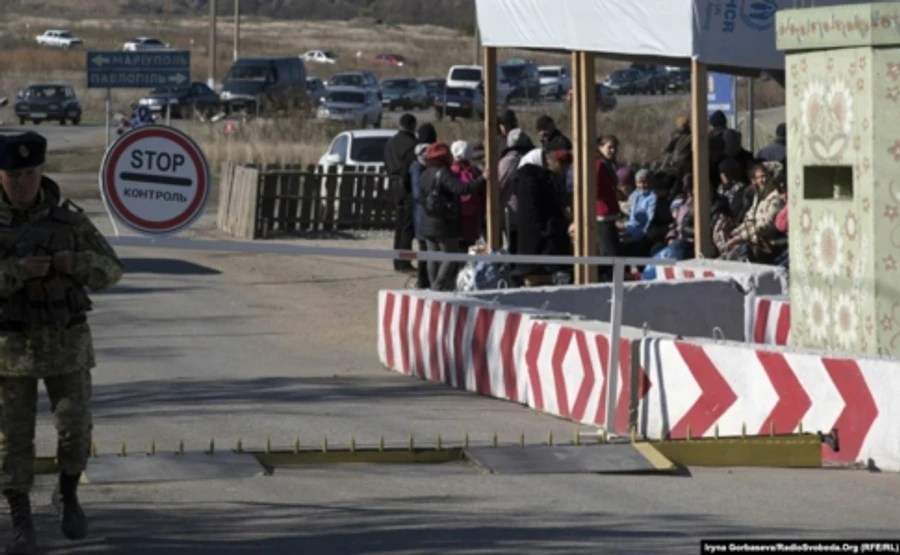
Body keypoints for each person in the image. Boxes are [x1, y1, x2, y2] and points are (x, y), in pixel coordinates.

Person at [0, 132, 124, 553]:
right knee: (11, 441)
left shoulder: (68, 222)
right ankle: (21, 519)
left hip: (66, 344)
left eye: (31, 174)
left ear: (42, 172)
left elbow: (112, 269)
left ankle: (68, 496)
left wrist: (79, 263)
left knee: (74, 428)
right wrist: (17, 271)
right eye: (14, 175)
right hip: (9, 352)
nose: (23, 183)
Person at [418, 142, 488, 291]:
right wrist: (482, 178)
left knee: (433, 255)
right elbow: (462, 188)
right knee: (451, 254)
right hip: (443, 222)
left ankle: (433, 286)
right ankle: (438, 286)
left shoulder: (425, 173)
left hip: (427, 220)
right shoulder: (443, 172)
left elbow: (420, 196)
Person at [509, 149, 570, 282]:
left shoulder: (532, 179)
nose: (548, 163)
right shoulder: (531, 181)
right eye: (545, 160)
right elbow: (534, 212)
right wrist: (547, 229)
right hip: (542, 241)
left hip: (537, 241)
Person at [723, 165, 785, 262]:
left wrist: (741, 237)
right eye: (758, 177)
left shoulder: (776, 198)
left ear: (770, 177)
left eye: (764, 176)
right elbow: (750, 219)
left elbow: (766, 225)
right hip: (754, 239)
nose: (761, 180)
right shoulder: (758, 196)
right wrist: (735, 232)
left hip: (768, 244)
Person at [384, 114, 419, 274]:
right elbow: (410, 167)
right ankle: (404, 261)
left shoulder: (391, 142)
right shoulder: (412, 144)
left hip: (393, 183)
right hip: (406, 185)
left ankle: (397, 260)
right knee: (407, 227)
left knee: (399, 225)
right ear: (413, 126)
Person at [594, 135, 622, 280]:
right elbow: (595, 188)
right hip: (602, 214)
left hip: (609, 213)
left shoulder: (608, 165)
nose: (612, 151)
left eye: (614, 148)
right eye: (609, 147)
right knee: (609, 253)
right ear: (600, 148)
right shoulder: (599, 165)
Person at [449, 140, 485, 250]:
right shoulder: (475, 172)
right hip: (473, 216)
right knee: (469, 245)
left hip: (455, 215)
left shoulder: (449, 171)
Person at [618, 168, 658, 255]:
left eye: (645, 182)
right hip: (631, 226)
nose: (642, 185)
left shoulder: (652, 197)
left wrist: (643, 232)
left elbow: (650, 217)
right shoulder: (635, 194)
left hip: (643, 229)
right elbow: (629, 209)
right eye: (639, 182)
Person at [409, 143, 431, 289]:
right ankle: (422, 282)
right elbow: (417, 194)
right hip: (422, 215)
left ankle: (425, 281)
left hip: (425, 215)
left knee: (428, 251)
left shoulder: (422, 168)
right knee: (424, 250)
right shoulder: (417, 168)